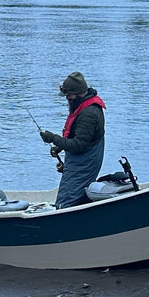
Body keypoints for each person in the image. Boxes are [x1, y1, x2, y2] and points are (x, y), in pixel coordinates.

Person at [40, 72, 106, 208]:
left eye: (69, 95)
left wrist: (53, 139)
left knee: (66, 203)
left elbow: (79, 145)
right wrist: (60, 147)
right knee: (77, 198)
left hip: (84, 165)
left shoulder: (89, 113)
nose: (67, 98)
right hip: (80, 162)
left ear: (78, 93)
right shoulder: (82, 106)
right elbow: (76, 136)